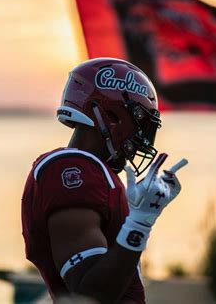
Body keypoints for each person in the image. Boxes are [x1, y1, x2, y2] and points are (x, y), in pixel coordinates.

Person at [21, 57, 187, 303]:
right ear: (112, 114)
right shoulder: (71, 168)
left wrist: (131, 212)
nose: (143, 138)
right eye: (140, 123)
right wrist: (140, 223)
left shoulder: (94, 171)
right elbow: (90, 294)